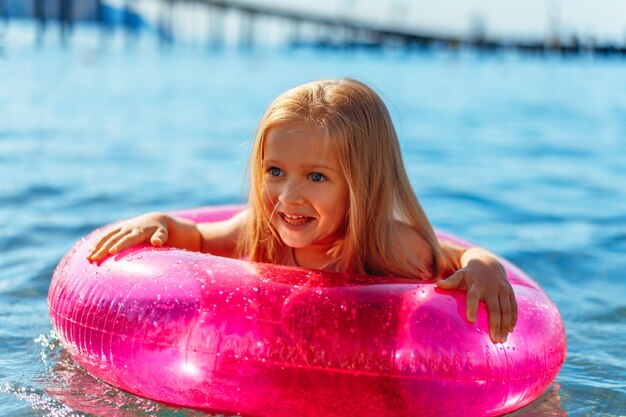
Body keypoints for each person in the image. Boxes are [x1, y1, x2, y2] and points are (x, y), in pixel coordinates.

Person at [87, 78, 517, 343]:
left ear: (361, 187)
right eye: (275, 170)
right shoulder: (257, 233)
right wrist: (159, 223)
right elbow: (196, 238)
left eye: (316, 177)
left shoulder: (392, 251)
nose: (287, 196)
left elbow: (460, 259)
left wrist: (485, 267)